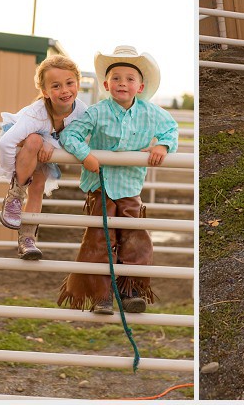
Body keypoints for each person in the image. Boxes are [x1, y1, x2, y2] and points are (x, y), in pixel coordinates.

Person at [57, 45, 178, 315]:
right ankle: (101, 295)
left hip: (129, 187)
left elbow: (171, 129)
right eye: (116, 78)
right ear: (106, 84)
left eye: (129, 79)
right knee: (100, 238)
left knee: (135, 237)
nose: (122, 83)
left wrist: (163, 146)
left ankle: (130, 291)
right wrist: (85, 155)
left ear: (140, 86)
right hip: (99, 185)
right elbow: (70, 136)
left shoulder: (152, 113)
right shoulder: (97, 112)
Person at [0, 55, 88, 260]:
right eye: (56, 86)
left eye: (69, 83)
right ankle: (15, 194)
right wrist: (12, 174)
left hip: (46, 148)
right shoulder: (36, 114)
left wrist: (52, 144)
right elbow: (6, 143)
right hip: (22, 147)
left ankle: (28, 239)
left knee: (38, 186)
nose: (65, 90)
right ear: (45, 92)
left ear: (78, 83)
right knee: (33, 140)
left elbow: (75, 138)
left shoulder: (82, 111)